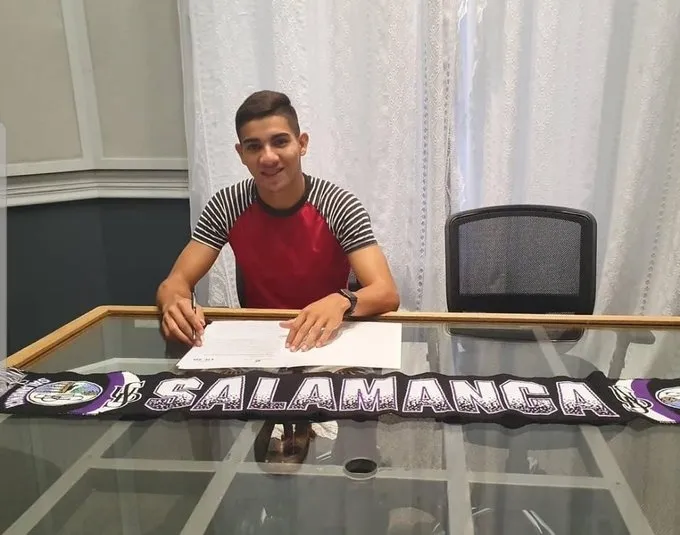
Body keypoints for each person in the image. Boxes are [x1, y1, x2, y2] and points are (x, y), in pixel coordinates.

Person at [156, 90, 400, 351]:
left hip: (325, 340)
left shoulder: (340, 205)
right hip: (259, 344)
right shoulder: (226, 204)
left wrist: (341, 301)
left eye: (280, 142)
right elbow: (175, 282)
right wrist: (174, 301)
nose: (268, 157)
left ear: (302, 144)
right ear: (241, 154)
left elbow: (386, 292)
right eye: (254, 147)